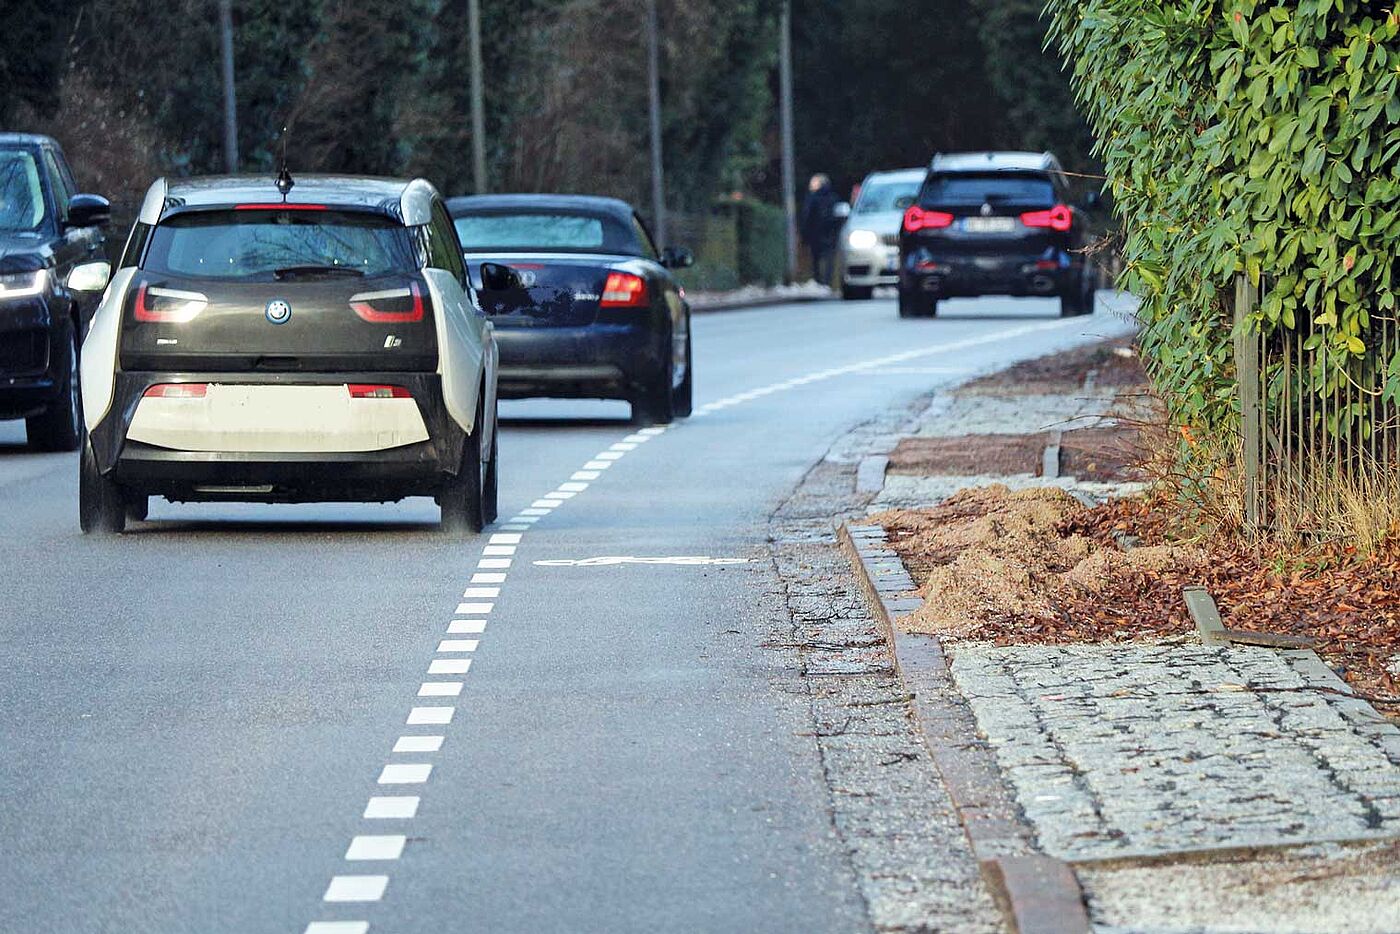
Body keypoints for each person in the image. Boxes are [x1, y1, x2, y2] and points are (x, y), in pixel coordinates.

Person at [799, 173, 840, 286]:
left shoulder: (812, 198)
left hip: (815, 233)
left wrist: (805, 234)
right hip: (830, 233)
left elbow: (806, 217)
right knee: (829, 258)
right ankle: (828, 281)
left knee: (816, 258)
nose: (811, 185)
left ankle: (819, 280)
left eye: (814, 182)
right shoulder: (834, 197)